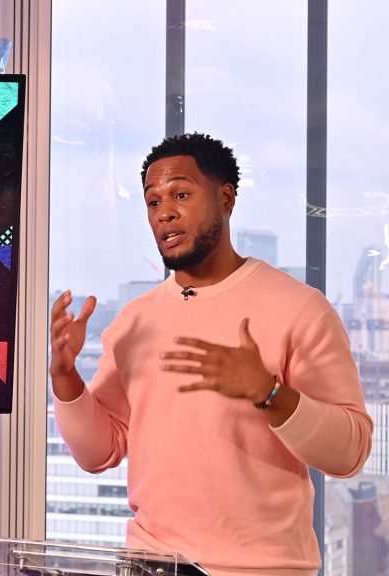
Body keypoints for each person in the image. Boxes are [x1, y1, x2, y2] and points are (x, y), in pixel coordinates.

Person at [50, 133, 372, 576]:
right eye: (152, 201)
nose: (164, 212)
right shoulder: (134, 321)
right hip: (151, 563)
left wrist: (269, 393)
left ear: (226, 199)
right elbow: (99, 453)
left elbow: (351, 452)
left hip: (263, 569)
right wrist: (66, 377)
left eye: (181, 194)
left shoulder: (300, 309)